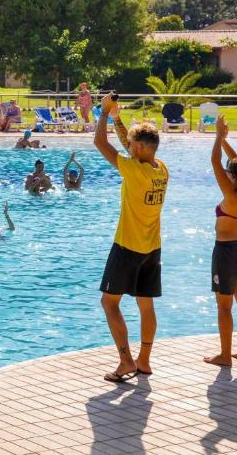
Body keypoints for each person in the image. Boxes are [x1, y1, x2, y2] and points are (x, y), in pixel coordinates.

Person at [93, 93, 168, 383]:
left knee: (109, 303)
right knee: (146, 304)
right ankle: (143, 360)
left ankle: (125, 360)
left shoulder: (133, 170)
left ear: (138, 148)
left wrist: (102, 114)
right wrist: (117, 119)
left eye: (132, 146)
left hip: (127, 247)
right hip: (152, 248)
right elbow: (130, 144)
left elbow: (101, 144)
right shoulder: (160, 168)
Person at [204, 116, 237, 367]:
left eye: (228, 172)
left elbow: (215, 162)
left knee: (224, 306)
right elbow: (236, 163)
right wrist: (225, 141)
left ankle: (225, 356)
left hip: (226, 252)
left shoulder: (231, 194)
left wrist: (217, 137)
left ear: (232, 176)